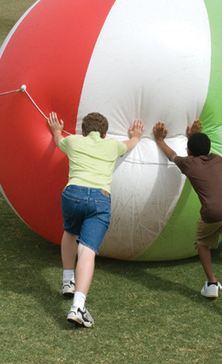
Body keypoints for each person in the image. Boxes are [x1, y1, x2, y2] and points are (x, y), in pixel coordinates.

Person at [48, 111, 144, 327]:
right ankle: (78, 306)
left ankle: (66, 281)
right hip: (100, 200)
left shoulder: (73, 141)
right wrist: (136, 136)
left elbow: (58, 140)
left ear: (83, 131)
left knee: (70, 231)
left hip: (72, 194)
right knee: (87, 250)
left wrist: (55, 130)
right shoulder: (111, 145)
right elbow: (129, 144)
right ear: (104, 133)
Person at [153, 119, 222, 322]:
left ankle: (212, 283)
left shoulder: (188, 163)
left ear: (189, 151)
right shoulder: (216, 159)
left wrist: (159, 139)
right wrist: (193, 138)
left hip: (211, 215)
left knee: (202, 243)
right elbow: (200, 153)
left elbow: (171, 156)